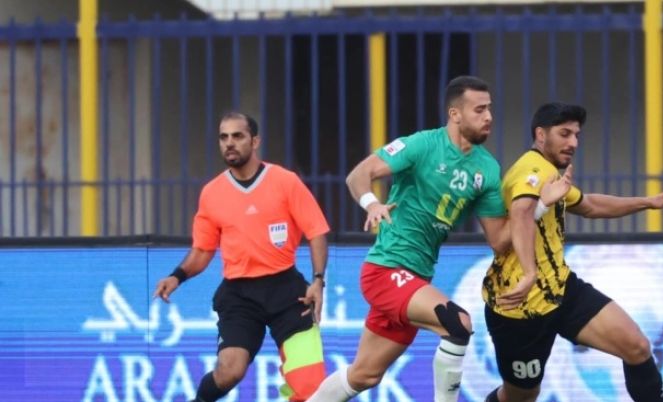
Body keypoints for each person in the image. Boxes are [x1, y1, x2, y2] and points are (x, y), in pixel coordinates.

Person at [307, 76, 569, 402]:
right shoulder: (422, 145)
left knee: (364, 374)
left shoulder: (487, 169)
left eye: (489, 109)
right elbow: (358, 175)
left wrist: (541, 205)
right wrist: (372, 204)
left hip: (416, 277)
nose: (489, 117)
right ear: (455, 114)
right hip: (386, 270)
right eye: (479, 110)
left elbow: (500, 240)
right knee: (457, 324)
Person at [482, 102, 663, 402]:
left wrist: (648, 202)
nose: (573, 143)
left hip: (561, 289)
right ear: (540, 135)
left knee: (637, 347)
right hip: (519, 306)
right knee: (521, 395)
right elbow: (521, 212)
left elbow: (589, 205)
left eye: (576, 135)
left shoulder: (550, 173)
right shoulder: (532, 170)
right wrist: (530, 273)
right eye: (564, 134)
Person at [152, 111, 330, 402]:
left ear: (255, 141)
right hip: (239, 296)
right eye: (223, 137)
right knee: (229, 371)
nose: (229, 143)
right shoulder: (212, 193)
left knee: (309, 386)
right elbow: (203, 250)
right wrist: (177, 276)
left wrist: (318, 280)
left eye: (237, 136)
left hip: (288, 292)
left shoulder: (285, 181)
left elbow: (317, 232)